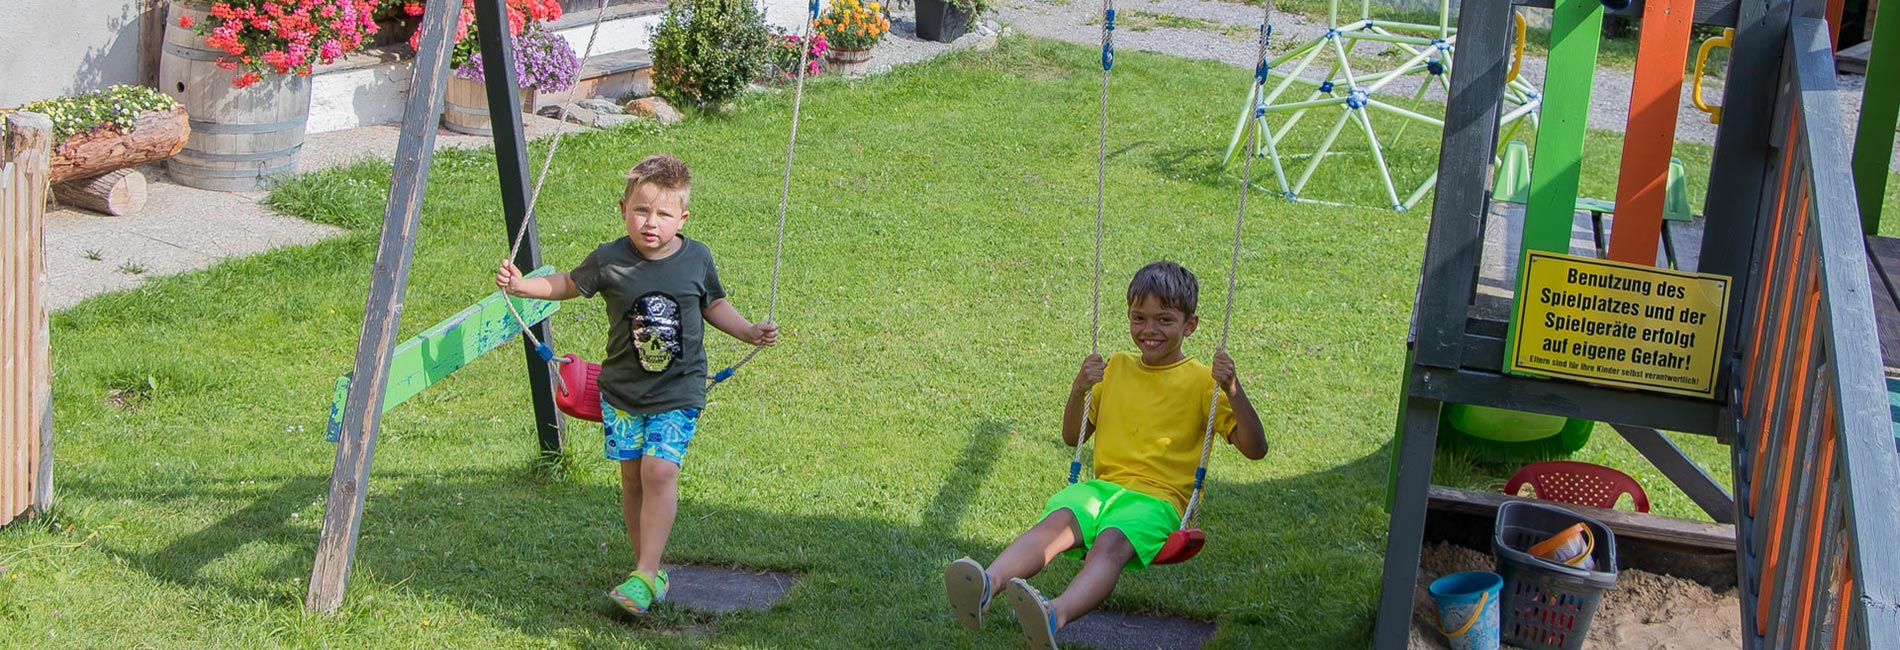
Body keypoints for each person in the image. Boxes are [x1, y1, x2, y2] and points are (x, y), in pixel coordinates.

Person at [496, 154, 777, 614]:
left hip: (679, 390)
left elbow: (714, 304)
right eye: (641, 210)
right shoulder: (610, 259)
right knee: (632, 479)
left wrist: (748, 331)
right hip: (622, 391)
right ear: (623, 207)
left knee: (659, 471)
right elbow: (567, 284)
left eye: (664, 214)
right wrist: (523, 286)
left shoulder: (696, 258)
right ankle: (647, 570)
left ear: (682, 217)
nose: (651, 223)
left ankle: (645, 574)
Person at [945, 260, 1267, 648]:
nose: (1149, 330)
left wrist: (1232, 388)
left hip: (1157, 500)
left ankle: (1054, 614)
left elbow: (1255, 448)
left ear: (1190, 325)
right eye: (1139, 318)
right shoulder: (1114, 368)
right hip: (1101, 490)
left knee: (1110, 543)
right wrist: (1080, 387)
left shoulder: (1202, 381)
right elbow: (1071, 435)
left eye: (1164, 320)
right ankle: (986, 584)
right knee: (1056, 522)